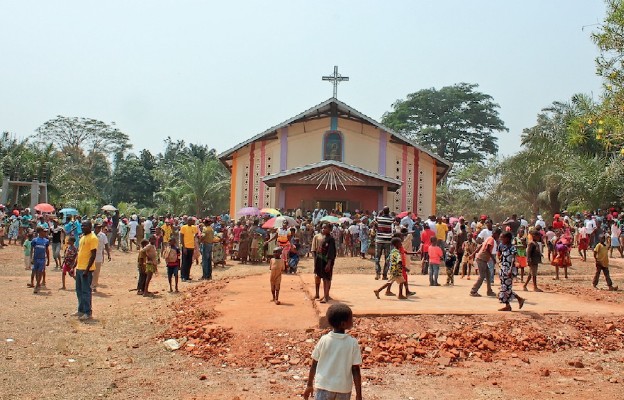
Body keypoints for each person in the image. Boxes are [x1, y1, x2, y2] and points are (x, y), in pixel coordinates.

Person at [303, 303, 362, 400]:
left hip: (324, 387)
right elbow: (355, 370)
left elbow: (314, 363)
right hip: (343, 390)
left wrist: (309, 384)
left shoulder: (324, 340)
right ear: (343, 324)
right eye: (351, 319)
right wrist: (359, 395)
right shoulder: (352, 343)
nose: (353, 320)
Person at [74, 221, 98, 321]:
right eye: (82, 225)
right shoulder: (82, 237)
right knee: (79, 290)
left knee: (86, 291)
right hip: (79, 267)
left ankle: (88, 312)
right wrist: (74, 265)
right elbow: (80, 252)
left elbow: (93, 255)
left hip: (86, 270)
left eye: (85, 226)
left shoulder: (93, 238)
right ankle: (81, 310)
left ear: (90, 227)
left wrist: (87, 270)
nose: (83, 227)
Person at [497, 231, 526, 311]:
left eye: (502, 238)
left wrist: (510, 269)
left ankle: (517, 300)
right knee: (505, 287)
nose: (501, 239)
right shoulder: (503, 246)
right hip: (503, 268)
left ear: (507, 238)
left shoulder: (512, 247)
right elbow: (500, 255)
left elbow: (513, 258)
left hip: (509, 269)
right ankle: (510, 304)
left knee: (506, 288)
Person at [469, 229, 500, 297]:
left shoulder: (488, 238)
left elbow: (480, 246)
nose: (498, 237)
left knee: (488, 275)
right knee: (482, 276)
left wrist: (473, 254)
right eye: (498, 235)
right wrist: (493, 258)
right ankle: (473, 291)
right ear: (496, 234)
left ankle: (489, 291)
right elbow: (487, 249)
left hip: (482, 259)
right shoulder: (491, 240)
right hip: (482, 259)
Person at [314, 223, 336, 304]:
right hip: (320, 261)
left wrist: (329, 263)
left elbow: (331, 252)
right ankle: (324, 295)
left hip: (326, 262)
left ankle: (326, 297)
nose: (323, 229)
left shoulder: (331, 239)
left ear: (329, 229)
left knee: (326, 279)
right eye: (322, 228)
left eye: (325, 228)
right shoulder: (323, 238)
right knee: (322, 277)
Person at [373, 206, 393, 280]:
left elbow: (374, 225)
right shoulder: (391, 219)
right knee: (387, 258)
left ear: (383, 211)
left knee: (377, 257)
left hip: (379, 240)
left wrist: (379, 214)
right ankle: (384, 275)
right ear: (389, 211)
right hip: (388, 241)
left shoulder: (378, 218)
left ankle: (377, 273)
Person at [30, 227, 50, 294]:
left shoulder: (46, 241)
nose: (45, 233)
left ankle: (37, 285)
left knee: (40, 272)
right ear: (40, 232)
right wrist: (31, 258)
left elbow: (47, 250)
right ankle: (37, 283)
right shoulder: (35, 240)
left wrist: (48, 260)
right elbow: (31, 249)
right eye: (44, 232)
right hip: (35, 258)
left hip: (42, 259)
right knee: (35, 271)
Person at [91, 223, 111, 292]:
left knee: (96, 272)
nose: (99, 229)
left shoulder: (103, 236)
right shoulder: (90, 234)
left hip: (98, 256)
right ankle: (89, 285)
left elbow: (106, 245)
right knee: (90, 272)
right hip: (89, 256)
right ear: (94, 228)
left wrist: (108, 254)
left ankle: (94, 286)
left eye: (100, 228)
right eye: (97, 227)